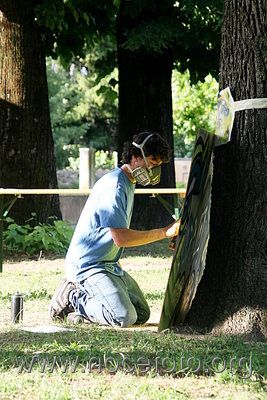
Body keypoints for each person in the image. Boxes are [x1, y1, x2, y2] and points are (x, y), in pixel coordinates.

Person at [49, 132, 180, 327]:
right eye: (152, 163)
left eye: (157, 165)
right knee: (124, 317)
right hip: (88, 267)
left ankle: (88, 300)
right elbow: (121, 238)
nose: (154, 170)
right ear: (135, 157)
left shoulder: (128, 183)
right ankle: (72, 296)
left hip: (107, 265)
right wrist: (164, 232)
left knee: (141, 313)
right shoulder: (115, 186)